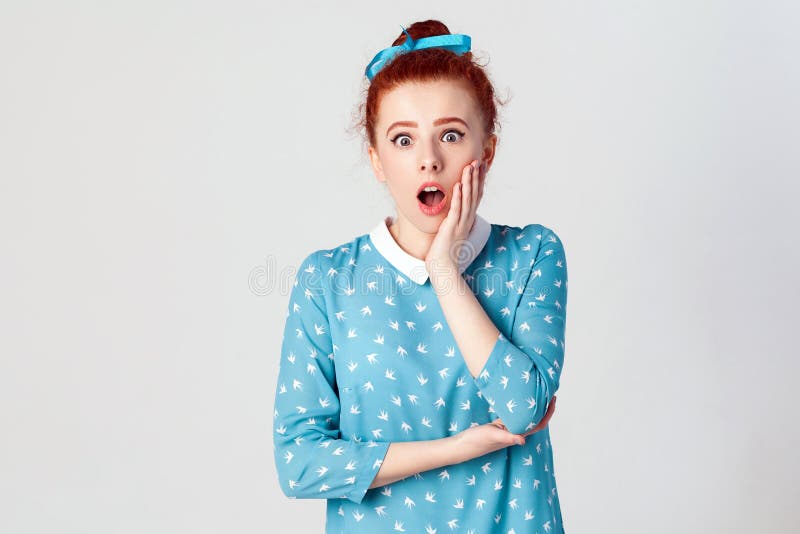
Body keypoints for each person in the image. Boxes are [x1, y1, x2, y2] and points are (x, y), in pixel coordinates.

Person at [272, 19, 569, 533]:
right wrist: (455, 450)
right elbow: (298, 464)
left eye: (450, 135)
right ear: (377, 160)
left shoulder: (532, 255)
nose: (429, 161)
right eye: (403, 140)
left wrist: (445, 271)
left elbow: (523, 408)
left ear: (487, 151)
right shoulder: (328, 281)